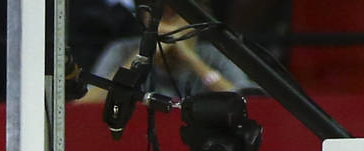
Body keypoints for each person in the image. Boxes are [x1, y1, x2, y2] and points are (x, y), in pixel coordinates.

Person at [79, 4, 256, 104]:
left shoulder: (213, 53)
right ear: (143, 17)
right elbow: (84, 104)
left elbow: (247, 101)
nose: (166, 21)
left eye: (176, 14)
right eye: (159, 13)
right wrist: (139, 57)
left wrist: (191, 58)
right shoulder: (121, 50)